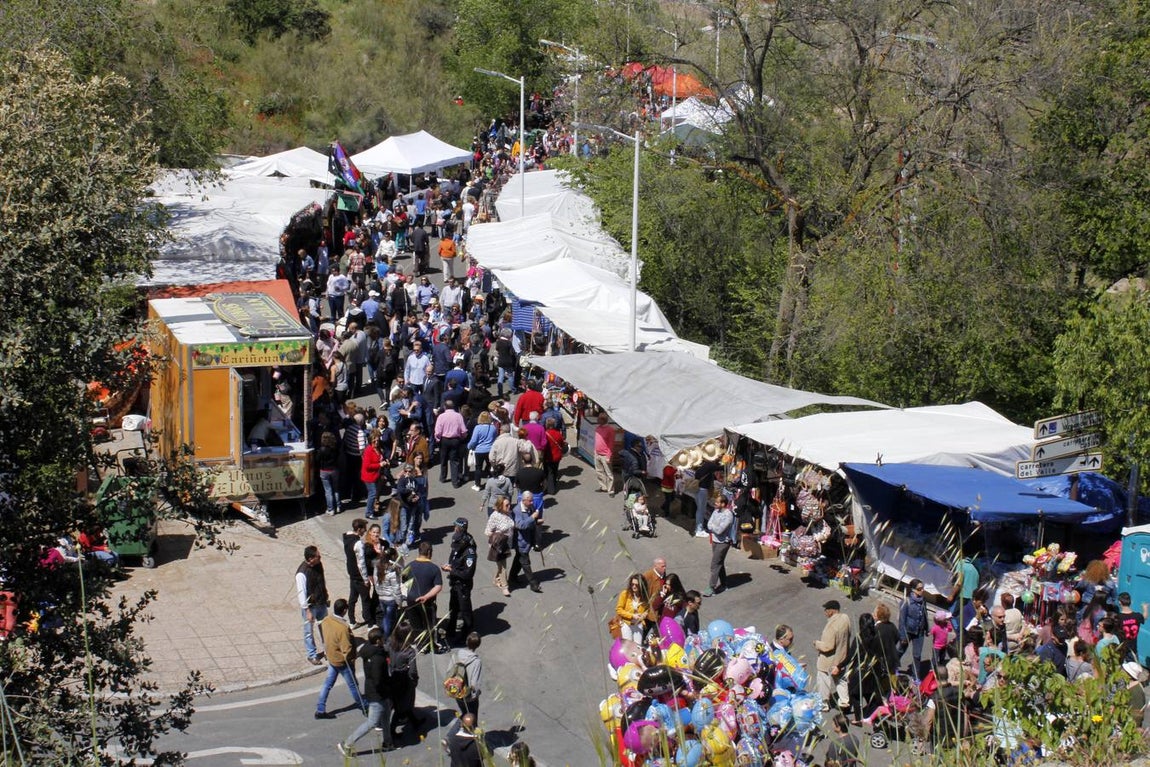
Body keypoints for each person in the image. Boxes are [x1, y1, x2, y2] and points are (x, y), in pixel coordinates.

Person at [339, 627, 395, 756]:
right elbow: (378, 680)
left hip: (378, 692)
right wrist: (387, 687)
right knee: (372, 722)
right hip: (377, 694)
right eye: (382, 639)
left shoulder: (369, 651)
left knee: (386, 716)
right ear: (377, 640)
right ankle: (347, 743)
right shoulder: (377, 658)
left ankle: (388, 742)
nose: (384, 640)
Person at [314, 599, 365, 719]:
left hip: (332, 659)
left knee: (327, 684)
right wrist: (352, 660)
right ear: (345, 610)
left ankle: (320, 709)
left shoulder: (326, 620)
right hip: (342, 662)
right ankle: (363, 706)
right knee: (353, 685)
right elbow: (347, 649)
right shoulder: (343, 628)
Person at [402, 540, 445, 653]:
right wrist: (426, 596)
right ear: (430, 552)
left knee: (415, 623)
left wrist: (407, 595)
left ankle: (420, 645)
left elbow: (402, 581)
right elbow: (438, 586)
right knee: (429, 624)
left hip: (411, 601)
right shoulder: (434, 568)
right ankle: (430, 644)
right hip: (428, 603)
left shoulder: (409, 566)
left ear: (419, 551)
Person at [813, 599, 851, 710]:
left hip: (828, 660)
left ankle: (824, 703)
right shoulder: (845, 618)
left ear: (832, 611)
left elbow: (828, 646)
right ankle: (844, 701)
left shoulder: (831, 625)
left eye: (826, 610)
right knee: (841, 680)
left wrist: (817, 644)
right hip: (841, 657)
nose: (825, 612)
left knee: (823, 681)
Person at [443, 518, 477, 641]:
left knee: (465, 610)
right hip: (455, 581)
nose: (454, 529)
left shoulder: (469, 551)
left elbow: (468, 573)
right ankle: (451, 630)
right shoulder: (457, 539)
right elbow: (454, 554)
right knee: (453, 607)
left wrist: (451, 570)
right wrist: (450, 565)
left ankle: (467, 634)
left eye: (455, 527)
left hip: (463, 585)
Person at [295, 545, 329, 665]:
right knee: (309, 631)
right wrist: (307, 610)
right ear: (310, 559)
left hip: (321, 602)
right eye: (318, 556)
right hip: (311, 606)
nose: (320, 558)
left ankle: (328, 651)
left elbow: (321, 581)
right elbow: (301, 593)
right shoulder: (301, 573)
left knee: (325, 629)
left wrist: (325, 595)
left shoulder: (318, 565)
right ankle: (312, 655)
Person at [387, 620, 420, 739]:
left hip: (392, 676)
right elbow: (413, 670)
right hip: (404, 680)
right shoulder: (409, 651)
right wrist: (414, 681)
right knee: (403, 705)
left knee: (398, 702)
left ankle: (414, 721)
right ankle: (391, 729)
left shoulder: (390, 643)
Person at [509, 493, 543, 593]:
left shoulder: (530, 507)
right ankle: (533, 584)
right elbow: (520, 525)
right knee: (525, 562)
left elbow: (531, 522)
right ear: (524, 500)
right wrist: (533, 517)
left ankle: (512, 577)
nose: (532, 503)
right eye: (530, 501)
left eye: (532, 500)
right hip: (521, 541)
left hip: (528, 539)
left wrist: (537, 521)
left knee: (518, 559)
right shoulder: (517, 511)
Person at [703, 495, 735, 598]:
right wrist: (713, 527)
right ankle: (724, 584)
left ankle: (711, 588)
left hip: (723, 543)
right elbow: (709, 524)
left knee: (715, 564)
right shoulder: (715, 511)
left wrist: (713, 527)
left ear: (723, 504)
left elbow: (720, 530)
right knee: (719, 563)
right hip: (715, 541)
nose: (715, 504)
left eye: (717, 502)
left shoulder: (728, 515)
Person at [898, 579, 930, 679]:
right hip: (908, 631)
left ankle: (916, 675)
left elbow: (925, 614)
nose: (922, 590)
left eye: (922, 588)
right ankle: (892, 666)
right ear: (913, 590)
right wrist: (903, 636)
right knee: (900, 650)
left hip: (919, 632)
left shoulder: (923, 600)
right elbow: (902, 620)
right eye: (919, 589)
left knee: (917, 655)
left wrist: (927, 628)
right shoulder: (906, 601)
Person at [484, 497, 515, 597]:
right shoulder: (495, 516)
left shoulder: (509, 513)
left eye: (509, 504)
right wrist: (497, 536)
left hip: (507, 544)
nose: (509, 506)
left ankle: (496, 579)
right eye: (506, 505)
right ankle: (505, 587)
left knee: (501, 565)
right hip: (498, 546)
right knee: (503, 566)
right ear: (500, 506)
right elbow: (487, 531)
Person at [435, 399, 469, 488]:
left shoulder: (441, 416)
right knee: (454, 461)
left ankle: (443, 477)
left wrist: (438, 439)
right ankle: (455, 482)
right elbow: (464, 430)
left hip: (444, 440)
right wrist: (462, 437)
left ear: (445, 407)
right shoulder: (458, 416)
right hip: (455, 440)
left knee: (443, 459)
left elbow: (437, 431)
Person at [355, 523, 383, 628]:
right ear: (370, 533)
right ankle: (371, 617)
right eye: (374, 532)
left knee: (377, 595)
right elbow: (366, 563)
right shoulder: (367, 546)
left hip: (380, 573)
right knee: (372, 596)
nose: (376, 534)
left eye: (378, 532)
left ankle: (375, 614)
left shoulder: (382, 542)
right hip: (371, 575)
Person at [343, 518, 369, 627]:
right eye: (364, 529)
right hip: (359, 576)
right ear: (359, 529)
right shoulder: (357, 543)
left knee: (352, 598)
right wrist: (365, 579)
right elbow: (361, 564)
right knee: (365, 599)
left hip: (351, 573)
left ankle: (352, 621)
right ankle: (369, 621)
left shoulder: (347, 538)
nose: (365, 532)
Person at [453, 632, 483, 719]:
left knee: (464, 712)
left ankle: (464, 726)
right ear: (478, 645)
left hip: (457, 689)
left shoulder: (460, 653)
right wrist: (476, 693)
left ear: (466, 642)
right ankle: (471, 730)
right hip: (468, 695)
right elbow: (474, 682)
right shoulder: (476, 661)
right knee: (472, 717)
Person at [614, 574, 650, 643]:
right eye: (632, 584)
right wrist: (632, 615)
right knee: (628, 647)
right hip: (627, 624)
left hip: (638, 625)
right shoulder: (625, 594)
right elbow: (619, 609)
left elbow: (647, 609)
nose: (634, 586)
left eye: (636, 585)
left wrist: (644, 615)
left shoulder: (645, 596)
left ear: (641, 585)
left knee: (638, 647)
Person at [376, 545, 402, 638]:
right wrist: (399, 602)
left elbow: (376, 584)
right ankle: (387, 637)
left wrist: (379, 594)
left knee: (385, 617)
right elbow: (396, 588)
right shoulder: (392, 571)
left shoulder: (378, 567)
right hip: (391, 599)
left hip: (381, 597)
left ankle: (384, 634)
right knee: (389, 619)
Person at [467, 412, 499, 489]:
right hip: (490, 450)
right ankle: (493, 483)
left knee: (478, 468)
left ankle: (477, 485)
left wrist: (469, 446)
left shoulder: (478, 428)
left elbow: (474, 440)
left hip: (479, 450)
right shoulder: (493, 427)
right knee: (490, 466)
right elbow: (495, 438)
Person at [593, 412, 617, 496]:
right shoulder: (598, 428)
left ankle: (611, 490)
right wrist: (595, 451)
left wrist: (608, 456)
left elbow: (611, 444)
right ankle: (603, 487)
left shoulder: (610, 430)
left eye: (598, 419)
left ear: (603, 420)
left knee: (609, 473)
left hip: (605, 455)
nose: (597, 420)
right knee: (599, 471)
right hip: (597, 453)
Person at [317, 431, 341, 516]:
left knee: (328, 490)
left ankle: (331, 509)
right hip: (334, 470)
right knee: (336, 489)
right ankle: (338, 506)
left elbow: (317, 459)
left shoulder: (321, 450)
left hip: (324, 470)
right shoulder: (335, 448)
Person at [542, 416, 566, 495]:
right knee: (555, 471)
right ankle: (553, 486)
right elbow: (562, 444)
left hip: (548, 457)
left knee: (547, 472)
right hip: (557, 456)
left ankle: (549, 489)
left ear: (547, 425)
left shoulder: (545, 434)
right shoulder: (558, 434)